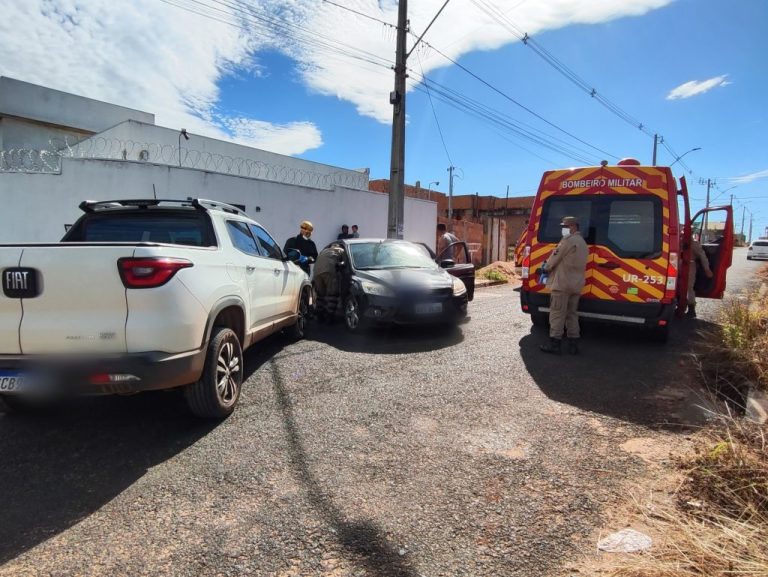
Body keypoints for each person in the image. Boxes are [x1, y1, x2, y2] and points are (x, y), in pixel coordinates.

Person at [539, 216, 589, 355]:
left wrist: (545, 269)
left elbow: (554, 258)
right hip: (576, 285)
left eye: (565, 227)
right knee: (572, 314)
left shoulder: (567, 241)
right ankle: (573, 345)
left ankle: (555, 344)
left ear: (573, 227)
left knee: (557, 314)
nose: (563, 229)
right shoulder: (583, 243)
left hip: (562, 284)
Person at [313, 244, 346, 321]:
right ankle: (330, 317)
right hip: (328, 271)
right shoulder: (340, 250)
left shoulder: (324, 251)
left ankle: (319, 316)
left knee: (320, 295)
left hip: (316, 272)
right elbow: (344, 262)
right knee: (332, 295)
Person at [686, 236, 713, 318]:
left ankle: (691, 309)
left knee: (689, 288)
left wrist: (707, 269)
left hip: (689, 266)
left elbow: (702, 256)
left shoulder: (693, 243)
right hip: (673, 265)